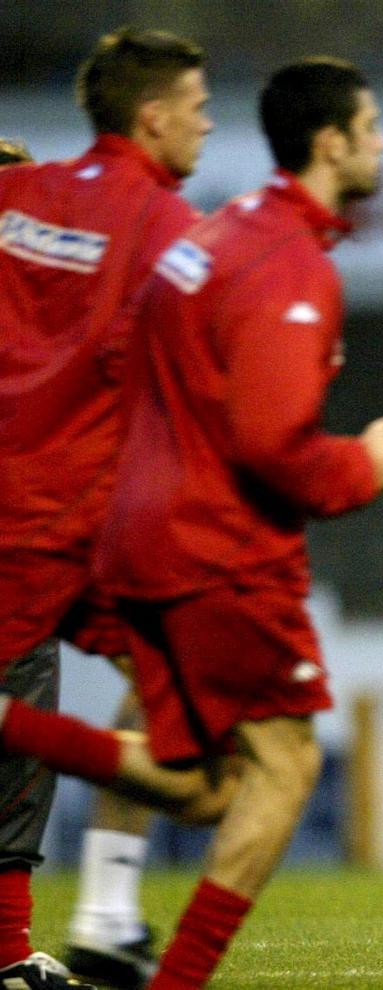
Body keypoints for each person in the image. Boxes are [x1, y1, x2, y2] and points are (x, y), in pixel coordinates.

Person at [0, 57, 383, 989]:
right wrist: (361, 462)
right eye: (195, 105)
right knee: (280, 766)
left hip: (110, 522)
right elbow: (270, 442)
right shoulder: (212, 238)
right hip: (157, 533)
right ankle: (132, 943)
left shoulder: (145, 217)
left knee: (203, 777)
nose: (206, 122)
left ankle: (102, 909)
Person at [0, 28, 214, 989]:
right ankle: (94, 918)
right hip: (53, 521)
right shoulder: (158, 224)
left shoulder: (25, 196)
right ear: (154, 115)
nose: (208, 125)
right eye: (198, 107)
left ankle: (66, 930)